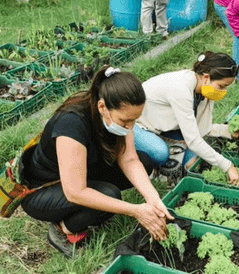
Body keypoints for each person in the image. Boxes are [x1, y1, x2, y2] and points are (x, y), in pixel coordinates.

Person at [20, 66, 173, 258]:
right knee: (111, 195)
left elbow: (130, 159)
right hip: (42, 189)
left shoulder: (115, 112)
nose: (130, 127)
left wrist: (153, 198)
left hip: (82, 171)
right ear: (103, 107)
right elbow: (75, 192)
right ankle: (63, 229)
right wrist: (135, 211)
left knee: (144, 161)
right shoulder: (71, 124)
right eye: (125, 122)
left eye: (135, 120)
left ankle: (96, 206)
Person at [134, 51, 239, 185]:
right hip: (139, 125)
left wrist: (228, 131)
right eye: (222, 86)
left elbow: (201, 128)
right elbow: (193, 140)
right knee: (159, 153)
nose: (223, 91)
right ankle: (149, 166)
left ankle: (168, 151)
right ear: (206, 77)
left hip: (166, 126)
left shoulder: (204, 89)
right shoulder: (181, 89)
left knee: (192, 163)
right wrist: (228, 166)